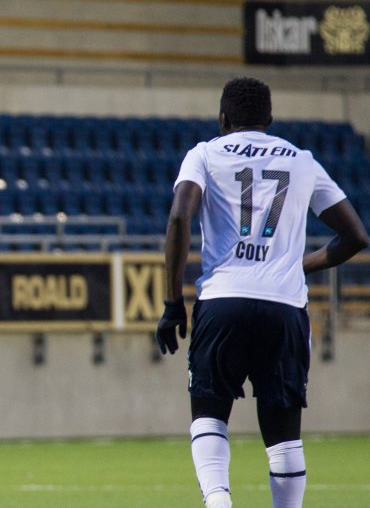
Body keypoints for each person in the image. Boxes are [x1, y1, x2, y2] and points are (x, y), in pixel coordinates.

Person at [156, 77, 368, 508]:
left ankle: (218, 500)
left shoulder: (205, 154)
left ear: (223, 118)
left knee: (209, 413)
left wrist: (172, 302)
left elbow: (179, 217)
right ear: (270, 118)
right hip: (285, 308)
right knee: (284, 436)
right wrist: (296, 265)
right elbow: (355, 237)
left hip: (223, 301)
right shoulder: (302, 161)